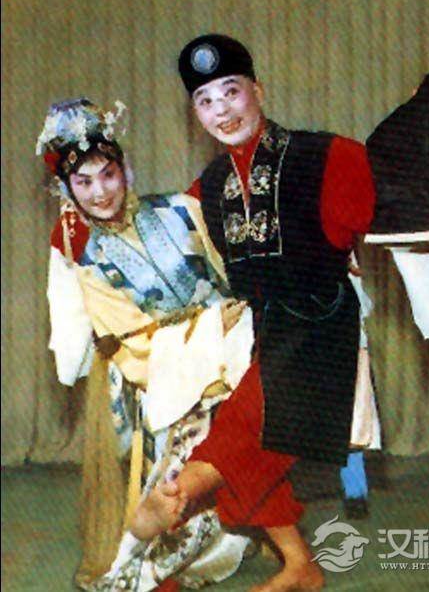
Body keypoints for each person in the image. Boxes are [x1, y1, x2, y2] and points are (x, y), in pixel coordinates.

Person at [131, 34, 385, 592]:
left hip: (323, 331)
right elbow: (164, 248)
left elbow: (392, 211)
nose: (222, 110)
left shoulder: (324, 156)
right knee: (248, 440)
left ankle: (183, 490)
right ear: (195, 115)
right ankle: (301, 565)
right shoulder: (210, 187)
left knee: (249, 427)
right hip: (261, 336)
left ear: (258, 90)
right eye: (205, 101)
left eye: (232, 91)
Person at [38, 98, 256, 592]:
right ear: (67, 189)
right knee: (180, 482)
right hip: (159, 378)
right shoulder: (81, 252)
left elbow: (228, 273)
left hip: (229, 353)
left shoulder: (177, 209)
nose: (100, 192)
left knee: (235, 458)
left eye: (108, 174)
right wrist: (210, 332)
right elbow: (131, 341)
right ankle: (136, 571)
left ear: (125, 169)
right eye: (84, 182)